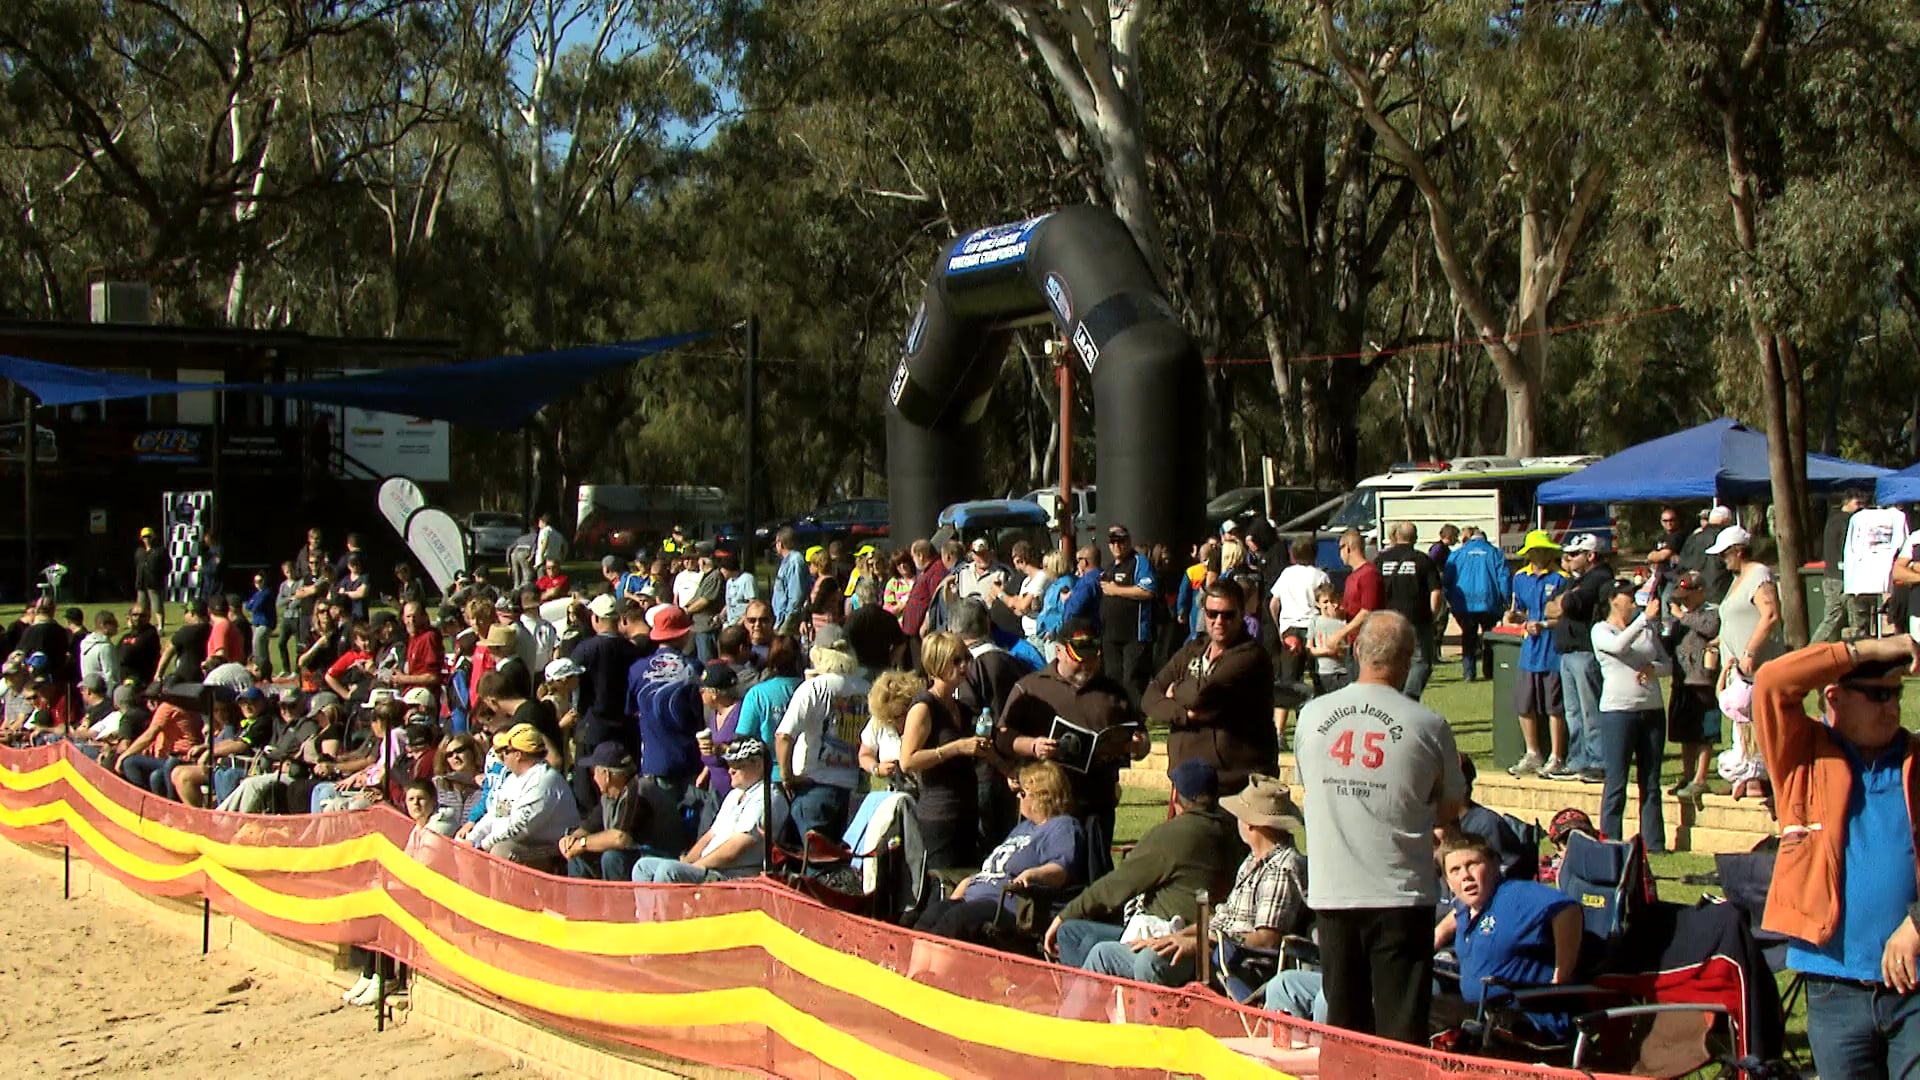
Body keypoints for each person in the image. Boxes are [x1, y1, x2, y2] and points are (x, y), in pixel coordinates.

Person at [1753, 634, 1920, 1080]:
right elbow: (1771, 681)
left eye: (1896, 695)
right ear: (1834, 696)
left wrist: (1917, 921)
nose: (1891, 707)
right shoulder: (1800, 755)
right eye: (1877, 695)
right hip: (1833, 986)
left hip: (1915, 985)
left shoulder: (1914, 759)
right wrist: (1866, 650)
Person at [1293, 611, 1465, 1044]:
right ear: (1407, 659)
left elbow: (1308, 786)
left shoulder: (1312, 716)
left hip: (1335, 892)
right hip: (1400, 895)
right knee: (1401, 1032)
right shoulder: (1428, 725)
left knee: (1345, 1029)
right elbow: (1450, 808)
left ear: (1355, 651)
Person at [1074, 773, 1306, 987]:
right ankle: (1073, 1026)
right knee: (1104, 953)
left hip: (1234, 963)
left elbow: (1265, 940)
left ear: (1251, 823)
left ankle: (1149, 1030)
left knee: (1151, 961)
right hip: (1211, 948)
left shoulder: (1281, 867)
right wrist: (1176, 936)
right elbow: (1223, 919)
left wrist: (1199, 943)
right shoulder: (1251, 861)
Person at [1043, 760, 1244, 969]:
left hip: (1165, 936)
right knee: (1079, 934)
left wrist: (1064, 915)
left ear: (1175, 795)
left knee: (1070, 933)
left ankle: (1090, 999)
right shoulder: (1230, 829)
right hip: (1206, 937)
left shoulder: (1175, 835)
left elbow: (1116, 885)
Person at [996, 618, 1146, 847]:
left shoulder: (1114, 693)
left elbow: (1140, 738)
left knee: (1094, 875)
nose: (1087, 665)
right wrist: (1033, 745)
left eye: (1092, 658)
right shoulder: (1031, 687)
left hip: (1096, 805)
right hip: (1044, 805)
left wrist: (1137, 746)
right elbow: (1003, 737)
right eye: (1079, 659)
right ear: (1059, 651)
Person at [1433, 831, 1584, 1043]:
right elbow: (1457, 912)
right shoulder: (1468, 907)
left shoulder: (1515, 895)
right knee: (1414, 1004)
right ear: (1448, 882)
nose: (1465, 875)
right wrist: (1438, 935)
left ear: (1495, 865)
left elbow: (1567, 909)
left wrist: (1561, 975)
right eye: (1455, 870)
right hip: (1480, 1012)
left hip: (1523, 1018)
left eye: (1473, 864)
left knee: (1422, 1015)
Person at [913, 761, 1086, 944]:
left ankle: (926, 970)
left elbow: (1060, 870)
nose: (1018, 798)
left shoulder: (1063, 826)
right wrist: (968, 882)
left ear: (1042, 796)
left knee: (954, 922)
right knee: (930, 916)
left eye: (1023, 793)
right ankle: (904, 967)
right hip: (975, 897)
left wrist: (1032, 874)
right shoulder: (1024, 828)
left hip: (1006, 905)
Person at [775, 606, 902, 840]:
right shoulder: (869, 690)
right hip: (854, 791)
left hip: (814, 786)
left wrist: (787, 777)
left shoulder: (813, 688)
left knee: (813, 864)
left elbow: (783, 736)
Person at [1145, 579, 1276, 796]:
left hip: (1234, 785)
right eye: (1212, 614)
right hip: (1186, 781)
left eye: (1228, 614)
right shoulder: (1192, 650)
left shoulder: (1251, 657)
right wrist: (1184, 714)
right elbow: (1150, 696)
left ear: (1242, 613)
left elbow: (1202, 697)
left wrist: (1175, 690)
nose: (1219, 621)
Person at [631, 738, 788, 883]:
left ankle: (668, 914)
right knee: (643, 867)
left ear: (758, 765)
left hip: (733, 875)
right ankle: (650, 913)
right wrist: (687, 862)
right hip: (709, 867)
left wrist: (697, 866)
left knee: (668, 871)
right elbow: (710, 835)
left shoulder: (767, 797)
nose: (730, 771)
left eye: (738, 765)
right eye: (729, 764)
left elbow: (735, 849)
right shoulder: (735, 794)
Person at [899, 630, 990, 870]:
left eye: (966, 659)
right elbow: (907, 761)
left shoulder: (962, 707)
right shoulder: (924, 707)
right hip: (940, 817)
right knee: (943, 888)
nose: (964, 667)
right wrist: (956, 748)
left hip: (968, 814)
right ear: (937, 664)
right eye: (956, 661)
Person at [1591, 578, 1670, 851]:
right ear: (1613, 600)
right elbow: (1618, 648)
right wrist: (1644, 620)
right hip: (1618, 713)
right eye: (1627, 597)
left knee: (1651, 780)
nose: (1633, 602)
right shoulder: (1601, 631)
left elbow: (1667, 663)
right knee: (1617, 780)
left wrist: (1654, 669)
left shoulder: (1645, 629)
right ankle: (1610, 840)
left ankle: (1654, 842)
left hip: (1652, 711)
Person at [1712, 524, 1781, 796]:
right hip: (1734, 669)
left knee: (1756, 721)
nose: (1722, 559)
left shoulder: (1759, 574)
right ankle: (1746, 777)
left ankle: (1758, 779)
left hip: (1754, 668)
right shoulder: (1735, 580)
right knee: (1741, 722)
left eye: (1725, 554)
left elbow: (1770, 615)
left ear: (1738, 551)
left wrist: (1750, 651)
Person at [464, 723, 579, 871]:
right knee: (466, 845)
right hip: (523, 842)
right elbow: (495, 814)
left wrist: (482, 845)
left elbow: (519, 828)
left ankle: (500, 895)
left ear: (518, 754)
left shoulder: (543, 780)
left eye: (505, 751)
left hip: (553, 850)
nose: (501, 756)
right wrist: (471, 839)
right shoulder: (512, 778)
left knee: (502, 851)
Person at [1505, 530, 1569, 777]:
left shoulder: (1561, 578)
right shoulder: (1520, 577)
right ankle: (1533, 753)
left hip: (1553, 648)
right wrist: (1516, 618)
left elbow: (1565, 615)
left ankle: (1557, 755)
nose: (1537, 555)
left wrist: (1543, 625)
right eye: (1533, 551)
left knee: (1554, 705)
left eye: (1541, 550)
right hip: (1529, 649)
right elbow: (1519, 611)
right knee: (1525, 702)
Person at [1550, 533, 1612, 783]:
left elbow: (1566, 605)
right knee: (1573, 713)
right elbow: (1550, 606)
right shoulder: (1576, 580)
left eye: (1575, 554)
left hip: (1585, 651)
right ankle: (1577, 760)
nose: (1568, 558)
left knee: (1590, 711)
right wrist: (1560, 602)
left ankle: (1598, 761)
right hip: (1567, 651)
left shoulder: (1599, 578)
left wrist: (1561, 603)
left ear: (1591, 555)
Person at [627, 604, 703, 806]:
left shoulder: (637, 670)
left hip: (654, 760)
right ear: (684, 634)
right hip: (689, 759)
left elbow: (631, 711)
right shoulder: (694, 668)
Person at [1662, 570, 1721, 799]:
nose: (1683, 600)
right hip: (1681, 680)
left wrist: (1682, 616)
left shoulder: (1711, 612)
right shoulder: (1679, 618)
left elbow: (1709, 629)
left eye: (1688, 595)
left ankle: (1701, 777)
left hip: (1702, 680)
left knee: (1705, 732)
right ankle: (1687, 774)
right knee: (1685, 733)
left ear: (1700, 592)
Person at [560, 744, 652, 881]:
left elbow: (620, 838)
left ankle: (617, 902)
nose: (593, 778)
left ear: (606, 775)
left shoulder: (637, 790)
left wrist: (582, 844)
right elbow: (589, 826)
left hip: (652, 859)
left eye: (594, 772)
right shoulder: (609, 797)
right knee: (577, 855)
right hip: (632, 860)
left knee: (612, 857)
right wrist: (570, 840)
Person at [1372, 521, 1443, 699]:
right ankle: (1409, 697)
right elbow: (1436, 592)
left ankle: (1392, 695)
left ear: (1396, 536)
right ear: (1415, 537)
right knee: (1420, 661)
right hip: (1417, 618)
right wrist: (1433, 616)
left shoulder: (1380, 560)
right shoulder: (1422, 559)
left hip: (1387, 619)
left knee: (1391, 659)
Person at [1099, 525, 1158, 701]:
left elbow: (1148, 591)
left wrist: (1116, 590)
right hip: (1111, 635)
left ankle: (1137, 723)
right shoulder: (1109, 567)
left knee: (1132, 681)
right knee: (1112, 679)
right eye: (1113, 542)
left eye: (1121, 541)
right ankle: (1117, 720)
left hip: (1134, 636)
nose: (1116, 546)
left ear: (1128, 541)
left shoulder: (1139, 562)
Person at [1444, 526, 1511, 682]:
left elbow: (1447, 580)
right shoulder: (1495, 553)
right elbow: (1504, 579)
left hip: (1464, 604)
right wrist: (1506, 601)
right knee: (1489, 637)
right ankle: (1489, 671)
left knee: (1468, 637)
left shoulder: (1457, 554)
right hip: (1489, 602)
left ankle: (1469, 673)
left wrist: (1451, 599)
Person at [1269, 536, 1330, 691]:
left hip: (1290, 628)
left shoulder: (1286, 574)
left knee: (1290, 680)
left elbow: (1273, 604)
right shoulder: (1320, 576)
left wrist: (1279, 628)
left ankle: (1292, 710)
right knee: (1318, 675)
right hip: (1314, 627)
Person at [861, 669, 923, 789]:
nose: (898, 721)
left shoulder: (923, 717)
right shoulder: (878, 722)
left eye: (903, 713)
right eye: (892, 718)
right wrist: (877, 768)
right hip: (890, 793)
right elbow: (865, 755)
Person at [771, 528, 810, 636]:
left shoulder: (795, 561)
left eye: (776, 542)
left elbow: (796, 594)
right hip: (780, 617)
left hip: (788, 619)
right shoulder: (785, 562)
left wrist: (788, 620)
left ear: (780, 543)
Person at [116, 604, 162, 687]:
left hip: (140, 682)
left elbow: (126, 656)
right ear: (129, 617)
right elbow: (116, 654)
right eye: (135, 615)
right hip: (124, 681)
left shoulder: (150, 634)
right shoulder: (126, 636)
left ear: (149, 617)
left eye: (142, 615)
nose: (138, 618)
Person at [133, 527, 168, 631]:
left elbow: (167, 566)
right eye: (144, 537)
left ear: (153, 537)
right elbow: (137, 565)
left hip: (154, 583)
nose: (146, 539)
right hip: (141, 583)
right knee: (141, 606)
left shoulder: (160, 551)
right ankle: (142, 625)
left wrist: (159, 575)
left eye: (148, 536)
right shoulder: (139, 551)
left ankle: (160, 626)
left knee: (157, 605)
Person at [720, 551, 758, 628]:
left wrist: (742, 621)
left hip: (742, 623)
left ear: (728, 568)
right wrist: (721, 615)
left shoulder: (747, 579)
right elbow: (729, 602)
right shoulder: (729, 582)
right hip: (730, 622)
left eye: (722, 569)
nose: (721, 572)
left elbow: (753, 603)